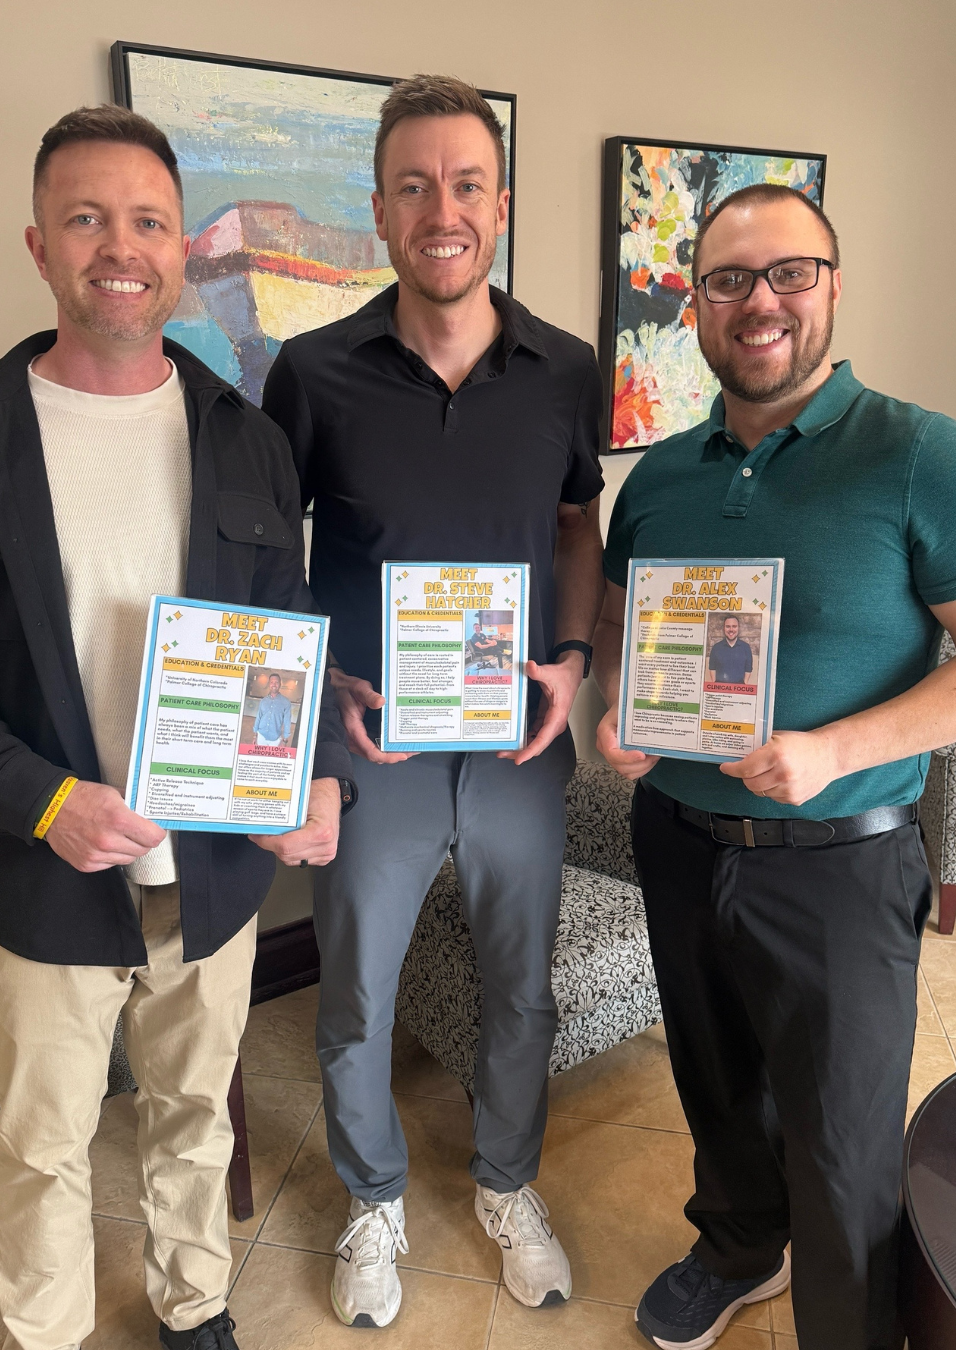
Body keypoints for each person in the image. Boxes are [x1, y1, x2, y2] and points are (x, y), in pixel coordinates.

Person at [0, 105, 355, 1350]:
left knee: (196, 1111)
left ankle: (195, 1306)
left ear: (181, 249)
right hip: (40, 875)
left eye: (147, 221)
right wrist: (42, 799)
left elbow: (289, 632)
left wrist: (314, 777)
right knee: (42, 1141)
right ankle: (47, 1334)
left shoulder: (247, 440)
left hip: (215, 869)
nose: (119, 247)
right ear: (40, 245)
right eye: (86, 219)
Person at [262, 74, 604, 1329]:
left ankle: (507, 1183)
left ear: (500, 205)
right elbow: (269, 558)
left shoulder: (565, 369)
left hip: (517, 746)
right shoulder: (312, 372)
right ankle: (373, 1201)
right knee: (357, 994)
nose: (441, 211)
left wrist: (572, 656)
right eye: (413, 187)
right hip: (377, 752)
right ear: (380, 210)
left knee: (524, 988)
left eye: (466, 185)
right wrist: (318, 687)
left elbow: (577, 524)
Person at [593, 183, 956, 1350]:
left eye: (789, 272)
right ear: (695, 303)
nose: (760, 302)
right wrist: (617, 708)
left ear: (833, 286)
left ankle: (847, 1329)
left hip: (843, 861)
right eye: (729, 279)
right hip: (678, 839)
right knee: (715, 1086)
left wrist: (833, 750)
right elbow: (621, 627)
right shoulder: (661, 477)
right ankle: (740, 1246)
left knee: (844, 1146)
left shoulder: (920, 453)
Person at [706, 614, 753, 685]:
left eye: (734, 626)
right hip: (720, 688)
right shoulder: (716, 648)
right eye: (728, 626)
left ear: (738, 628)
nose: (731, 630)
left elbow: (748, 669)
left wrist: (744, 685)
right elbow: (712, 668)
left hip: (739, 688)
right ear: (724, 628)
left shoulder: (746, 647)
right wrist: (715, 685)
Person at [253, 672, 293, 746]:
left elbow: (287, 721)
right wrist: (255, 736)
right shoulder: (263, 701)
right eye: (272, 682)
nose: (274, 685)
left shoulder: (286, 702)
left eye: (276, 682)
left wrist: (285, 740)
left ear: (280, 684)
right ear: (269, 684)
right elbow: (258, 717)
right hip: (261, 736)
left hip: (275, 739)